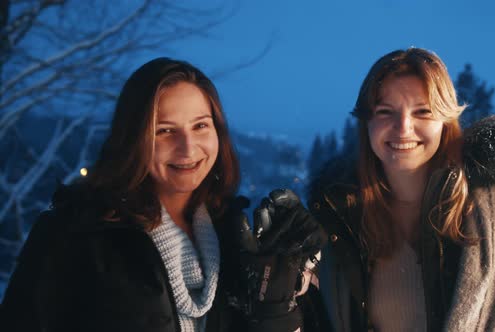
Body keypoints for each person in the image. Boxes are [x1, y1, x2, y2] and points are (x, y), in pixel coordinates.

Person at [0, 57, 324, 332]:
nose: (188, 148)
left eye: (200, 126)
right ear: (134, 139)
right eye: (165, 130)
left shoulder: (232, 238)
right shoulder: (74, 235)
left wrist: (277, 302)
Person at [305, 48, 495, 331]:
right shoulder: (339, 219)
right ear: (366, 123)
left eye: (422, 111)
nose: (403, 127)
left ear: (445, 122)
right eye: (386, 112)